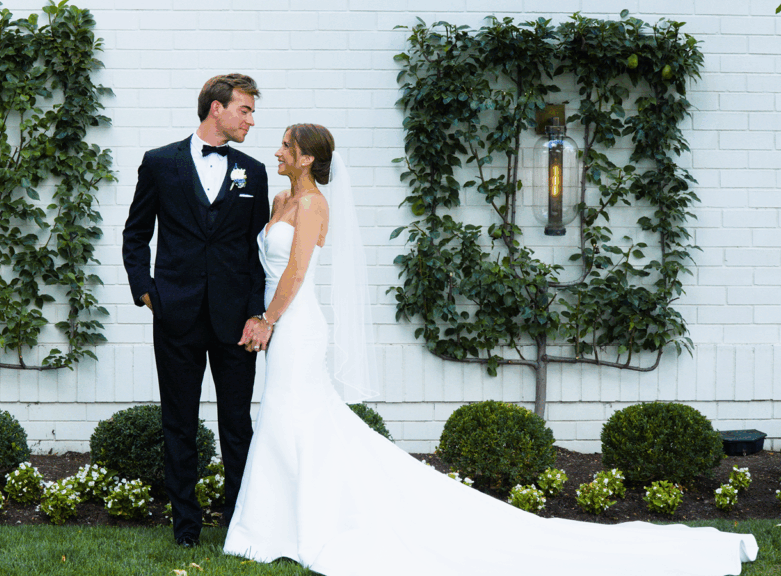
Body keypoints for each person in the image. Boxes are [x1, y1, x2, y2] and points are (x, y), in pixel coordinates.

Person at [224, 123, 758, 575]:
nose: (276, 151)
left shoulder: (314, 204)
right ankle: (281, 522)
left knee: (295, 416)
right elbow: (268, 268)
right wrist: (261, 317)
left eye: (285, 146)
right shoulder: (281, 200)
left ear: (307, 158)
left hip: (295, 325)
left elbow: (295, 271)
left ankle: (294, 524)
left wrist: (267, 320)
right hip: (278, 324)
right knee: (287, 418)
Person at [122, 74, 271, 548]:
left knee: (237, 426)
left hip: (236, 322)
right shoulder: (160, 163)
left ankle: (237, 526)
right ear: (216, 109)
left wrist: (256, 313)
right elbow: (135, 234)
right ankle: (185, 529)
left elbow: (257, 252)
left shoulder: (254, 170)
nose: (251, 119)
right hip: (176, 315)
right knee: (179, 423)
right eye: (244, 109)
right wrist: (147, 291)